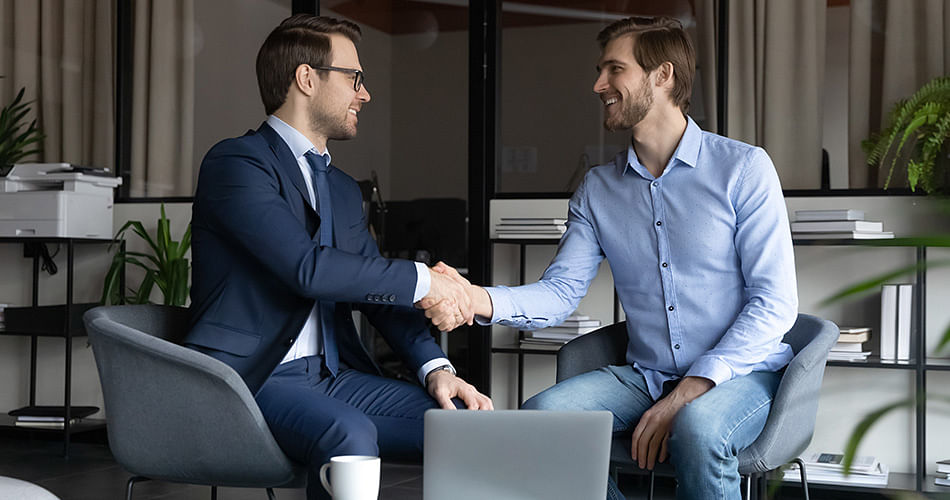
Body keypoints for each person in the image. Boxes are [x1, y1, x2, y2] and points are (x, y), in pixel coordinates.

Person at [422, 16, 797, 500]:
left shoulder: (744, 169)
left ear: (662, 76)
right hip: (648, 377)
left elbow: (775, 303)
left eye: (614, 70)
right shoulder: (598, 189)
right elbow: (559, 294)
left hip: (745, 373)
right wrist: (472, 297)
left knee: (699, 430)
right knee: (541, 421)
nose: (598, 84)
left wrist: (692, 389)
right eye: (600, 70)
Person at [184, 14, 492, 500]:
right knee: (349, 435)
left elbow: (377, 299)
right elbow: (306, 269)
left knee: (470, 428)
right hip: (253, 377)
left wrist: (437, 369)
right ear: (307, 79)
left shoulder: (345, 192)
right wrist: (425, 281)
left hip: (333, 376)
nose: (364, 94)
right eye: (355, 78)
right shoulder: (236, 164)